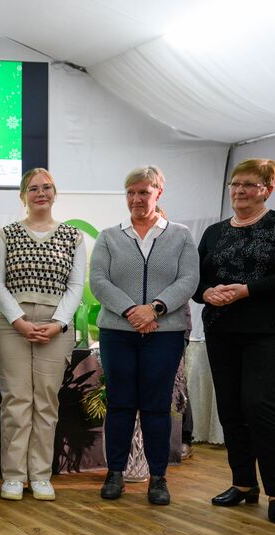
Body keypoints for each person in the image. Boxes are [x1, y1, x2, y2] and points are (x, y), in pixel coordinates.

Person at [194, 158, 275, 525]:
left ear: (268, 189)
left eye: (249, 184)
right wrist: (207, 293)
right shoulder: (214, 232)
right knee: (231, 408)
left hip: (270, 328)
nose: (240, 191)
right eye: (235, 184)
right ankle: (244, 483)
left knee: (259, 404)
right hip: (221, 329)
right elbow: (195, 281)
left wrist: (247, 290)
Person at [90, 166, 199, 505]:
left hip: (164, 333)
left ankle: (158, 478)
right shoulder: (109, 236)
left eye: (143, 192)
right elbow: (99, 281)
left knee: (156, 406)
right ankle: (115, 473)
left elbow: (189, 279)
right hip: (117, 332)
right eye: (130, 192)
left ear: (158, 193)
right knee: (120, 404)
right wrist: (131, 311)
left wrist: (155, 309)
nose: (136, 199)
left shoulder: (180, 235)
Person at [0, 168, 84, 502]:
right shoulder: (5, 234)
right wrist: (18, 320)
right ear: (23, 196)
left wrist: (59, 322)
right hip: (11, 324)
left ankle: (41, 475)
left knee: (46, 401)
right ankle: (14, 476)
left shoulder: (73, 236)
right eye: (33, 188)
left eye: (47, 187)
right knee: (16, 401)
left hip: (55, 325)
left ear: (55, 193)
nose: (41, 193)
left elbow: (75, 285)